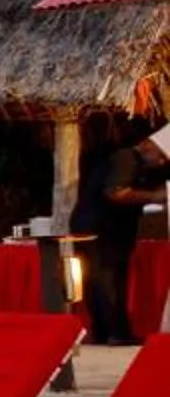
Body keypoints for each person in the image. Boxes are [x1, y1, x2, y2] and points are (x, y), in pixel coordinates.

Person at [77, 126, 170, 346]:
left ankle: (113, 332)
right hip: (99, 230)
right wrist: (156, 197)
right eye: (162, 157)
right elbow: (115, 193)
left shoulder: (141, 167)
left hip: (116, 232)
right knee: (104, 281)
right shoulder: (125, 158)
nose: (162, 163)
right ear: (149, 145)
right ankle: (113, 332)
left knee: (116, 281)